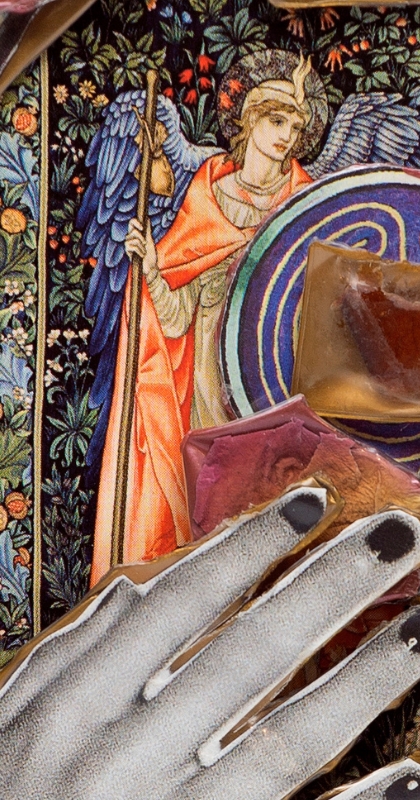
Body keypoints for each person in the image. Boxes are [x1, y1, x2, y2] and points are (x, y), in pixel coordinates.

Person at [90, 52, 326, 585]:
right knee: (211, 516)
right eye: (276, 120)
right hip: (206, 391)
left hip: (276, 389)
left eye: (295, 126)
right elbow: (174, 323)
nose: (286, 136)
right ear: (248, 119)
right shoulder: (208, 195)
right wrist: (154, 270)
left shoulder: (307, 203)